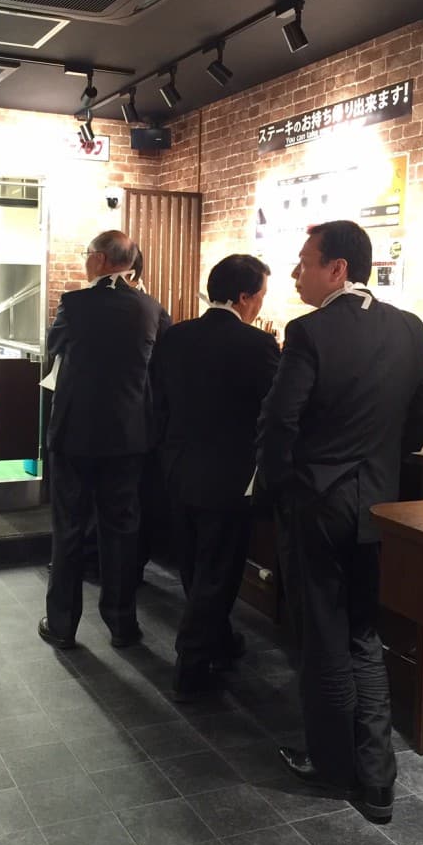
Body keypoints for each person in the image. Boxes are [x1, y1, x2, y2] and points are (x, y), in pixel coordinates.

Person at [256, 220, 423, 822]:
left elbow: (280, 421)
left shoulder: (309, 331)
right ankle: (378, 779)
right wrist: (383, 457)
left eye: (304, 262)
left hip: (317, 503)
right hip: (377, 505)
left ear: (337, 269)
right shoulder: (409, 327)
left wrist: (280, 486)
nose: (295, 273)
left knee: (323, 635)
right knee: (363, 632)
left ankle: (333, 766)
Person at [155, 254, 280, 700]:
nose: (261, 305)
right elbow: (274, 410)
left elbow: (158, 401)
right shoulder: (259, 345)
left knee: (194, 565)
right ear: (245, 297)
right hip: (230, 475)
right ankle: (190, 665)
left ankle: (221, 641)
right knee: (219, 571)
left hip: (177, 467)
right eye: (261, 295)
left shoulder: (175, 336)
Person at [39, 230, 169, 649]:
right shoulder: (151, 307)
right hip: (128, 438)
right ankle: (122, 624)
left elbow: (53, 346)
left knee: (69, 528)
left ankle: (62, 625)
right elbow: (161, 363)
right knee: (122, 531)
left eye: (86, 254)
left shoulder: (75, 303)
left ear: (99, 259)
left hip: (75, 435)